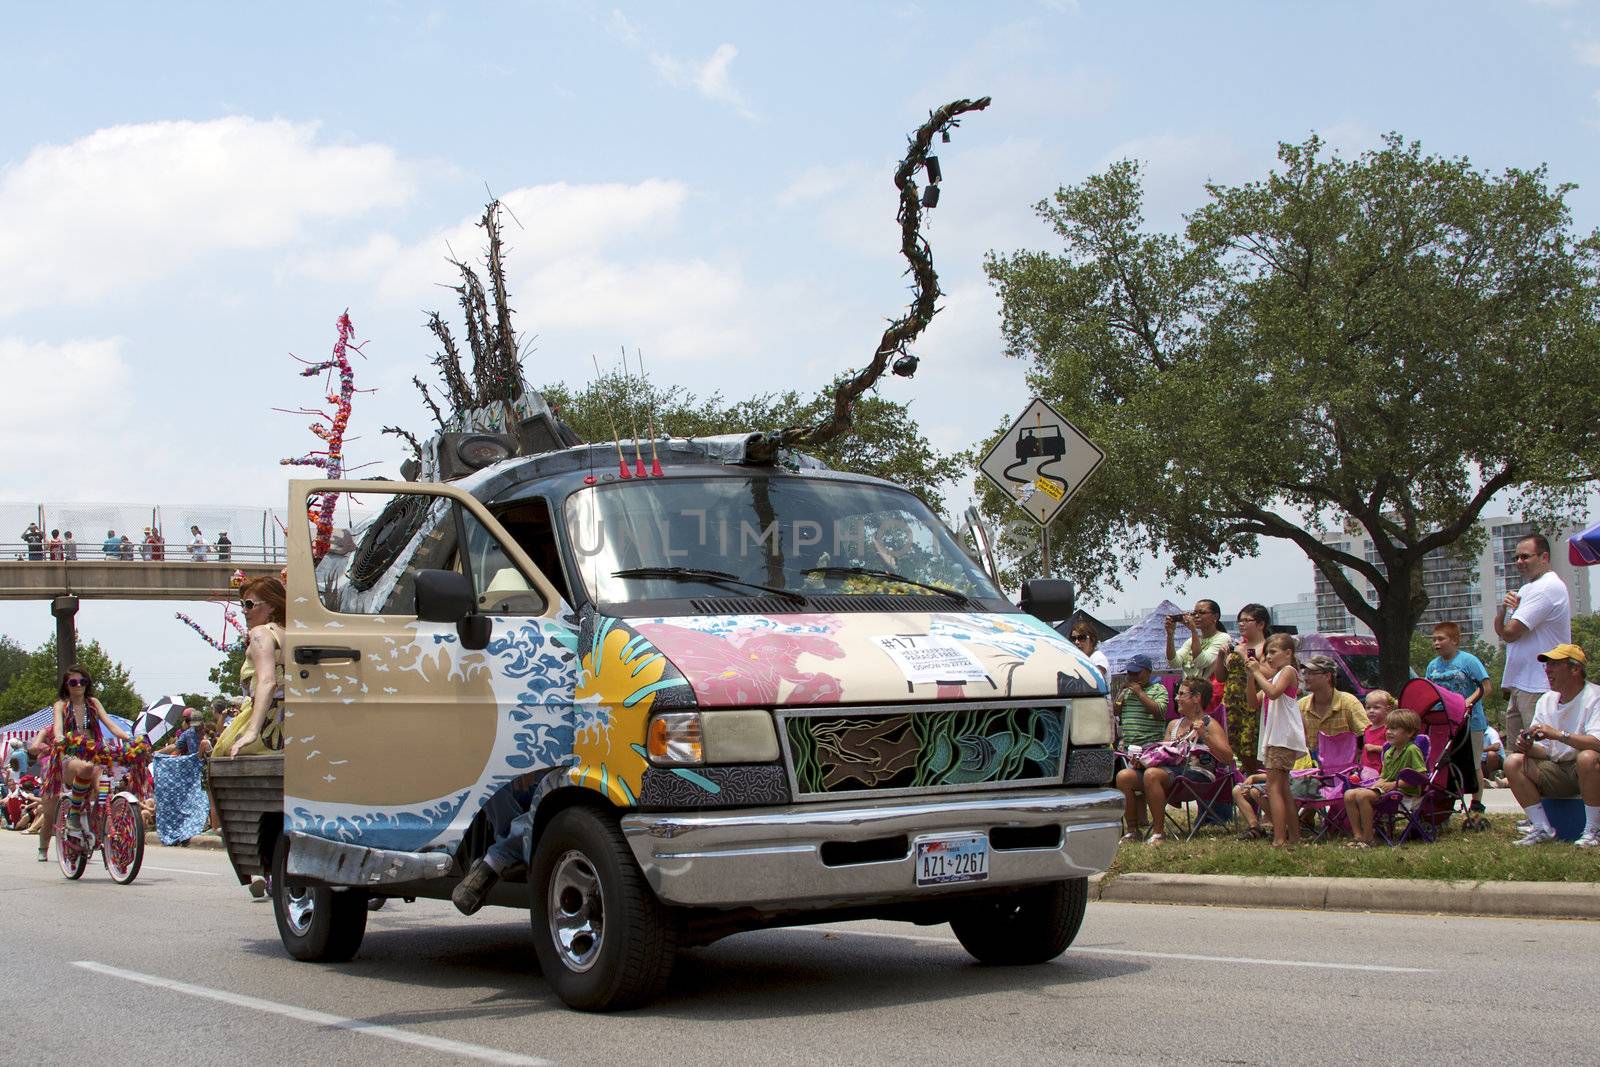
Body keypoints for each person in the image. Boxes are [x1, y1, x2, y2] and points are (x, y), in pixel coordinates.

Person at [1113, 676, 1233, 845]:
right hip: (1171, 772)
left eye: (1181, 694)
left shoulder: (1209, 724)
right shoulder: (1174, 725)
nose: (1176, 698)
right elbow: (1164, 754)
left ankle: (1158, 833)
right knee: (1124, 776)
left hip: (1197, 775)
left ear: (1196, 698)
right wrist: (1145, 760)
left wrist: (1205, 735)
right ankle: (1133, 831)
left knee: (1152, 775)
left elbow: (1227, 757)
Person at [1503, 644, 1600, 847]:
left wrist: (1558, 734)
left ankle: (1593, 830)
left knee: (1587, 757)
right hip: (1558, 770)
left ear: (1574, 669)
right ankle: (1542, 828)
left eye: (1554, 665)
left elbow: (1596, 743)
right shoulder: (1546, 700)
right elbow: (1545, 751)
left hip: (1587, 770)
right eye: (1546, 666)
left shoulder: (1595, 696)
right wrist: (1528, 747)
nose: (1547, 670)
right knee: (1513, 762)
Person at [1494, 534, 1571, 742]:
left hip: (1538, 684)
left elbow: (1509, 633)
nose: (1519, 562)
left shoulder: (1547, 587)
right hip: (1521, 682)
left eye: (1526, 557)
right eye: (1516, 557)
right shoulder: (1528, 589)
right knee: (1515, 754)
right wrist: (1502, 609)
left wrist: (1504, 627)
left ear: (1544, 557)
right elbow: (1502, 630)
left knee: (1537, 750)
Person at [49, 665, 134, 839]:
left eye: (83, 681)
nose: (78, 685)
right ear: (66, 685)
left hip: (94, 753)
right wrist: (59, 737)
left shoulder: (93, 703)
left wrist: (129, 739)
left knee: (104, 789)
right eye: (73, 682)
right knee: (86, 768)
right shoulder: (61, 705)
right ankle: (73, 816)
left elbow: (110, 725)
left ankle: (101, 824)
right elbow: (58, 727)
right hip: (70, 754)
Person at [1423, 621, 1492, 814]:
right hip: (1443, 722)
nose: (1436, 643)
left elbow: (1486, 687)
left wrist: (1467, 702)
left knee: (1474, 762)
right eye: (1434, 639)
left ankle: (1477, 803)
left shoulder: (1469, 661)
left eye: (1441, 639)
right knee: (1445, 762)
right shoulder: (1432, 666)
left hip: (1471, 721)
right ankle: (1446, 802)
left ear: (1454, 641)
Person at [216, 576, 287, 757]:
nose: (244, 611)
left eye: (249, 604)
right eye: (242, 604)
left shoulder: (260, 633)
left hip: (264, 728)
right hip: (291, 730)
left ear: (272, 605)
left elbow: (268, 681)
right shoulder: (295, 634)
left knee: (223, 755)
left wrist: (252, 731)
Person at [1247, 633, 1306, 848]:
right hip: (1275, 737)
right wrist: (1250, 677)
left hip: (1282, 737)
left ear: (1288, 653)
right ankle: (1294, 837)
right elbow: (1253, 702)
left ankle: (1279, 838)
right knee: (1282, 789)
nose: (1269, 658)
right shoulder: (1273, 677)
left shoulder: (1288, 671)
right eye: (1266, 654)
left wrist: (1257, 672)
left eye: (1273, 652)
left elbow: (1272, 693)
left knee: (1274, 788)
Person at [1342, 708, 1427, 848]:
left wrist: (1395, 784)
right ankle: (1358, 835)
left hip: (1405, 794)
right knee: (1349, 794)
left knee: (1363, 797)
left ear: (1409, 732)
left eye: (1394, 729)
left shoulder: (1412, 750)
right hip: (1389, 790)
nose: (1388, 732)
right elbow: (1384, 776)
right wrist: (1378, 783)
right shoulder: (1388, 752)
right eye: (1388, 728)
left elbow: (1421, 777)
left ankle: (1369, 837)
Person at [1220, 603, 1271, 775]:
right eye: (1239, 620)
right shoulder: (1238, 645)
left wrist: (1244, 655)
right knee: (1236, 748)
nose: (1241, 624)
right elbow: (1221, 676)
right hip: (1233, 707)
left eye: (1246, 620)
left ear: (1261, 624)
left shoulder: (1267, 647)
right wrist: (1221, 655)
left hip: (1253, 707)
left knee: (1253, 750)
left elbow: (1270, 672)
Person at [1298, 655, 1369, 759]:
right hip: (1310, 769)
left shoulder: (1349, 703)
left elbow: (1366, 735)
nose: (1306, 678)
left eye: (1311, 673)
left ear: (1327, 676)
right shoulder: (1301, 706)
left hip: (1342, 769)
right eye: (1305, 673)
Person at [1166, 599, 1230, 689]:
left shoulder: (1223, 638)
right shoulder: (1191, 641)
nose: (1196, 616)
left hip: (1206, 695)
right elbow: (1174, 663)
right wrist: (1170, 635)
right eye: (1194, 613)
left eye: (1202, 613)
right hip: (1187, 694)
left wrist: (1193, 630)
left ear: (1215, 616)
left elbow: (1201, 662)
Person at [1113, 654, 1167, 750]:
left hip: (1151, 747)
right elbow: (1115, 711)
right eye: (1130, 673)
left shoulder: (1158, 689)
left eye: (1136, 673)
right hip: (1129, 748)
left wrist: (1139, 693)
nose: (1132, 677)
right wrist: (1120, 692)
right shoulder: (1127, 692)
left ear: (1148, 672)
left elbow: (1159, 711)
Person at [1067, 623, 1111, 690]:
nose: (1076, 642)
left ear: (1092, 639)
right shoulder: (1078, 659)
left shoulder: (1098, 657)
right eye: (1073, 638)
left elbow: (1095, 679)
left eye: (1081, 638)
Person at [1361, 690, 1395, 774]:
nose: (1371, 711)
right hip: (1366, 769)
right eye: (1368, 708)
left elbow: (1395, 749)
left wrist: (1375, 748)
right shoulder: (1367, 729)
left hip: (1381, 771)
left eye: (1376, 707)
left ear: (1388, 709)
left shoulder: (1388, 729)